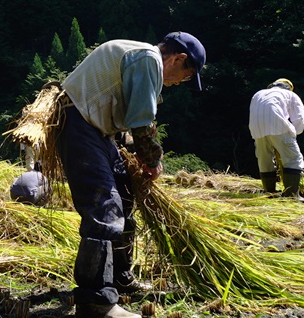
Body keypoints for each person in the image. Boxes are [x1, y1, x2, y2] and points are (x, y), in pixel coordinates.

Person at [56, 31, 206, 318]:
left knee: (123, 198)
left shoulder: (137, 55)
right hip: (79, 125)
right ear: (178, 58)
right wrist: (152, 159)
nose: (177, 83)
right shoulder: (148, 59)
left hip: (95, 130)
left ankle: (119, 277)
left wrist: (133, 156)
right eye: (184, 76)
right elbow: (142, 120)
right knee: (104, 209)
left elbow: (123, 118)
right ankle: (95, 303)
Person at [249, 78, 304, 200]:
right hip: (278, 125)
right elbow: (299, 119)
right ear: (288, 87)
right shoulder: (290, 94)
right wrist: (291, 136)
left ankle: (270, 192)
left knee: (264, 160)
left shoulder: (258, 94)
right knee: (294, 159)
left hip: (256, 129)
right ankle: (292, 195)